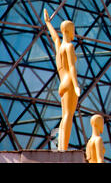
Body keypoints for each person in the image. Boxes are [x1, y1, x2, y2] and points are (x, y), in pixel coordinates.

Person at [44, 9, 80, 151]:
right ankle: (63, 148)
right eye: (73, 30)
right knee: (68, 116)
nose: (74, 33)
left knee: (64, 116)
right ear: (69, 31)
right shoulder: (70, 47)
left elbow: (54, 38)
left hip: (61, 84)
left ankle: (61, 147)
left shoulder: (60, 47)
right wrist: (76, 86)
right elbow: (71, 67)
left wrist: (47, 23)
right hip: (69, 83)